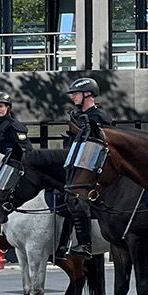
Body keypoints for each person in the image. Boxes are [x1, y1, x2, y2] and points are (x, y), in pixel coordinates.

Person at [62, 77, 111, 255]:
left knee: (78, 200)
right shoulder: (77, 116)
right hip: (76, 166)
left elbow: (102, 145)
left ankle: (85, 244)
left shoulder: (99, 116)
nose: (73, 97)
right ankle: (63, 243)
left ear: (87, 94)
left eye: (76, 94)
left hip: (95, 169)